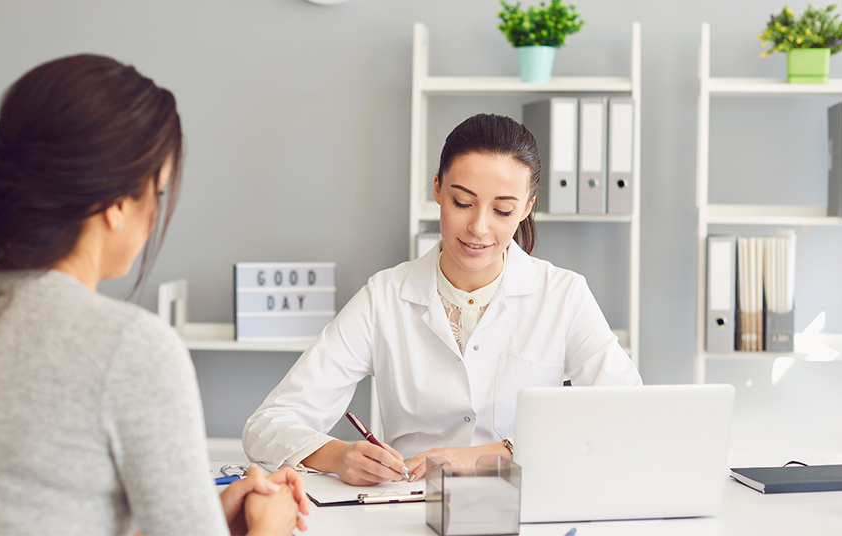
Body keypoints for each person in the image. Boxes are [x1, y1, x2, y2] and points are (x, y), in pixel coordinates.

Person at [0, 54, 309, 535]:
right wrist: (269, 528)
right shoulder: (128, 347)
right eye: (157, 193)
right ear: (118, 204)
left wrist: (199, 519)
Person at [243, 113, 642, 485]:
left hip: (525, 504)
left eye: (503, 210)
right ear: (437, 188)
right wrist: (337, 455)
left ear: (526, 209)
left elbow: (627, 411)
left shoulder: (563, 295)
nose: (479, 228)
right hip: (411, 507)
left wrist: (495, 454)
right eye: (462, 203)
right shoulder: (384, 298)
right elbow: (268, 424)